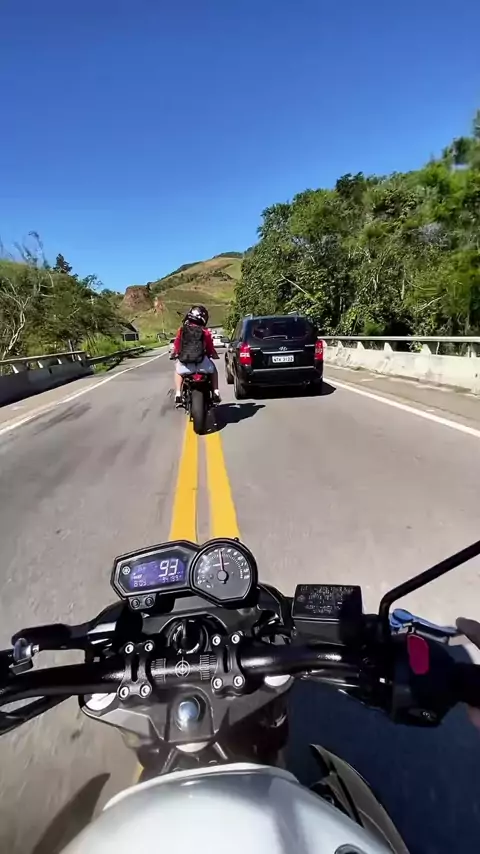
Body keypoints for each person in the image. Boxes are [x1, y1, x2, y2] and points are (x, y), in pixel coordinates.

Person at [172, 305, 221, 407]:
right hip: (202, 364)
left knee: (177, 371)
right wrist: (214, 355)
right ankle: (216, 392)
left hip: (186, 364)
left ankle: (178, 393)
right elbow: (210, 349)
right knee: (214, 371)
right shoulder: (205, 332)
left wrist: (175, 353)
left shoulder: (181, 330)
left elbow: (177, 345)